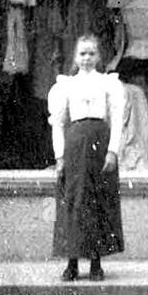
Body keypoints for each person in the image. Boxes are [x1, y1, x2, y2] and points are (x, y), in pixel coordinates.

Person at [48, 35, 126, 281]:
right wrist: (59, 156)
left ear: (99, 56)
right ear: (75, 57)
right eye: (82, 54)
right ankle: (72, 263)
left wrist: (113, 151)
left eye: (91, 53)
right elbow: (58, 123)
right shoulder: (66, 85)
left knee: (98, 200)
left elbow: (117, 120)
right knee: (74, 200)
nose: (87, 58)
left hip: (100, 144)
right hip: (74, 145)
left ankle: (95, 262)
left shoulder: (108, 83)